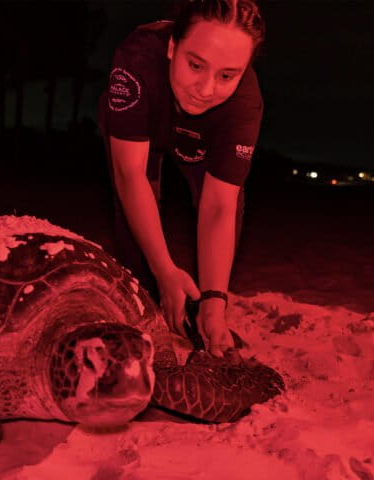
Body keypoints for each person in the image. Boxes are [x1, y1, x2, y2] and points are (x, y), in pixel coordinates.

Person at [98, 0, 265, 357]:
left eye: (227, 75)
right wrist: (164, 270)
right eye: (195, 64)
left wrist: (214, 301)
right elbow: (131, 176)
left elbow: (219, 205)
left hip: (202, 136)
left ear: (244, 70)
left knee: (229, 206)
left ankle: (207, 314)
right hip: (148, 118)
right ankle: (145, 307)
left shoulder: (244, 105)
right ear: (173, 46)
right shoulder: (136, 60)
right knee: (141, 246)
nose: (205, 88)